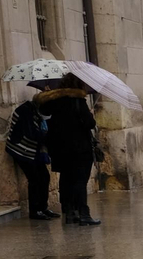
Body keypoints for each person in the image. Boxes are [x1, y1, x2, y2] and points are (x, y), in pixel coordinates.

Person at [38, 75, 102, 225]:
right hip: (80, 149)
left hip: (59, 149)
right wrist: (91, 115)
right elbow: (89, 124)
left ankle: (69, 212)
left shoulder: (53, 101)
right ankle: (84, 214)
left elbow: (43, 112)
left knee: (66, 180)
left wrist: (47, 94)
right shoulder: (79, 101)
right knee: (80, 181)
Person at [5, 95, 57, 220]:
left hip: (33, 150)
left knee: (44, 176)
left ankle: (43, 208)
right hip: (21, 149)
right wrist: (48, 137)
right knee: (34, 179)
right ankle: (34, 211)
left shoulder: (36, 111)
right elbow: (31, 133)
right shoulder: (25, 111)